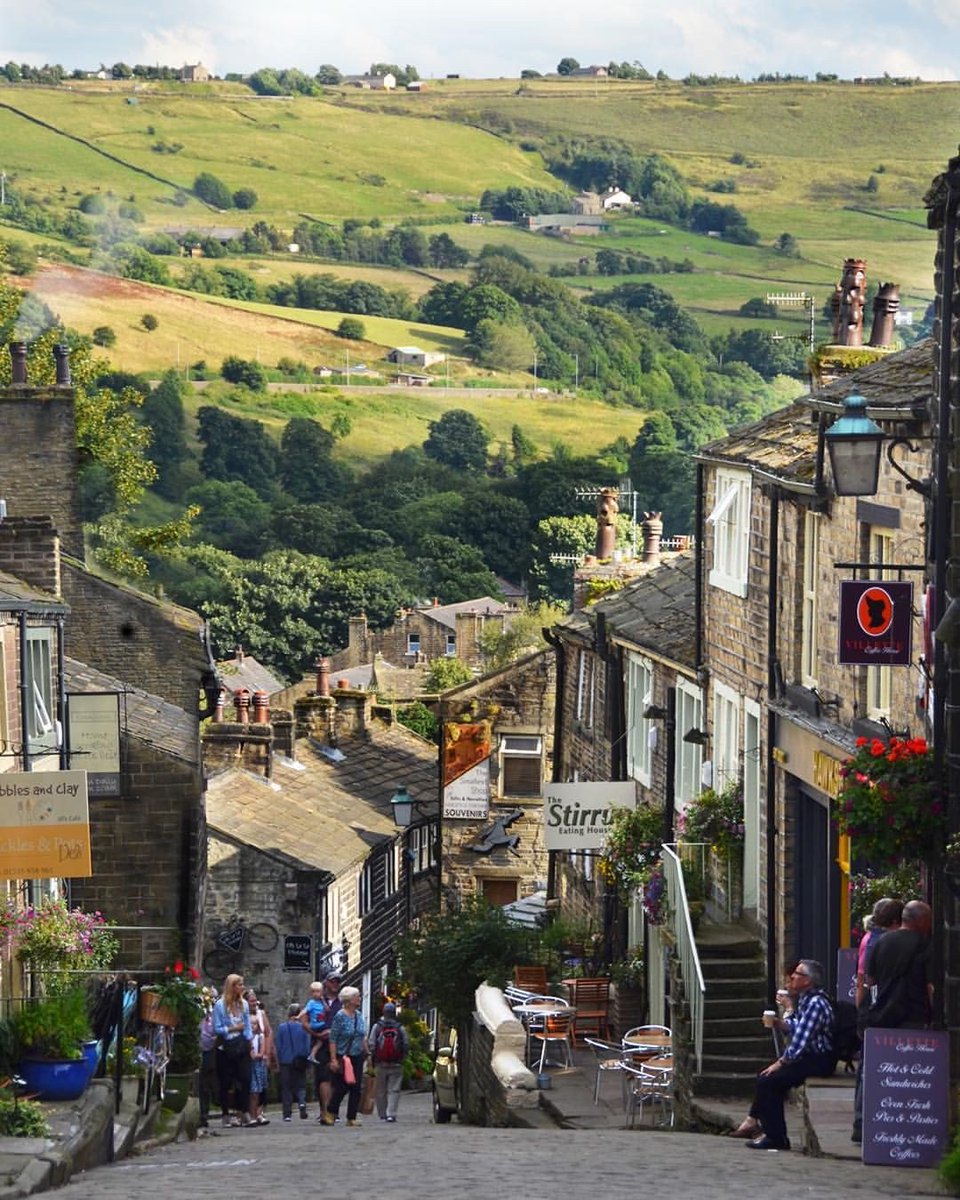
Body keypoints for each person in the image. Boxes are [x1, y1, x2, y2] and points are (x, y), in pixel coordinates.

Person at [732, 959, 835, 1151]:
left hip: (818, 1059)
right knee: (765, 1077)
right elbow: (799, 1027)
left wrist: (781, 1062)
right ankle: (765, 1129)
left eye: (797, 974)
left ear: (808, 980)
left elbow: (801, 1041)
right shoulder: (806, 999)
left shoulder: (816, 1003)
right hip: (809, 1056)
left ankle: (775, 1137)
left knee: (769, 1081)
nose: (792, 976)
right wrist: (782, 1024)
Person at [851, 897, 903, 1143]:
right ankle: (863, 1122)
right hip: (877, 1009)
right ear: (894, 922)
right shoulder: (879, 942)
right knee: (869, 1066)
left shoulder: (869, 938)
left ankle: (861, 1121)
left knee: (865, 1065)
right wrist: (862, 1012)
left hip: (870, 1009)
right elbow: (864, 980)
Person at [213, 973, 253, 1128]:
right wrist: (234, 1028)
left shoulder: (244, 1005)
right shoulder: (220, 1005)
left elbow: (247, 1025)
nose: (242, 987)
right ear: (232, 986)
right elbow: (217, 1028)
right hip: (226, 1047)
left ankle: (244, 1111)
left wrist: (248, 1040)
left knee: (245, 1078)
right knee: (225, 1081)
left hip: (241, 1045)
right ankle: (225, 1114)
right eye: (239, 985)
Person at [302, 971, 343, 1122]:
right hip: (321, 1044)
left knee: (336, 1079)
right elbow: (304, 1021)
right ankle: (326, 1112)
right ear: (326, 983)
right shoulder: (316, 999)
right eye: (333, 981)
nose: (335, 984)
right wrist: (317, 1034)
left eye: (338, 981)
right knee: (324, 1077)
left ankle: (332, 1110)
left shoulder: (342, 1002)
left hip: (338, 1044)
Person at [327, 984, 367, 1127]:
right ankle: (331, 1111)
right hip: (343, 1056)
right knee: (342, 1087)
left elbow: (362, 1035)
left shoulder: (359, 1015)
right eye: (357, 996)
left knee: (356, 1087)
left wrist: (367, 1052)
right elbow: (333, 1039)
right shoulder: (340, 1016)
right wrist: (333, 1059)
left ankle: (351, 1117)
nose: (360, 998)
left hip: (357, 1055)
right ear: (349, 1000)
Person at [368, 1002, 409, 1122]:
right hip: (397, 1063)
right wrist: (403, 1057)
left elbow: (371, 1043)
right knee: (394, 1089)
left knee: (380, 1090)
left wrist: (373, 1057)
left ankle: (382, 1114)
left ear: (384, 1013)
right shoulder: (400, 1027)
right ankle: (391, 1114)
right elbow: (406, 1043)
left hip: (380, 1063)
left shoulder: (377, 1027)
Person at [275, 1003, 311, 1121]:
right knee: (300, 1085)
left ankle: (287, 1113)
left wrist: (278, 1060)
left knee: (286, 1087)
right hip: (300, 1060)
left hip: (285, 1061)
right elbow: (307, 1046)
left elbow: (278, 1046)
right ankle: (302, 1103)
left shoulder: (282, 1027)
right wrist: (307, 1060)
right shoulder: (304, 1028)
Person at [245, 988, 274, 1125]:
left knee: (261, 1086)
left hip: (260, 1055)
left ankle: (259, 1112)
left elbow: (267, 1033)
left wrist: (266, 1054)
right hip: (248, 1056)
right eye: (251, 1001)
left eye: (255, 1000)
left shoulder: (260, 1014)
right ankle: (249, 1114)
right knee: (252, 1088)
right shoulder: (242, 1014)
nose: (254, 1003)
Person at [198, 986, 218, 1130]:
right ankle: (201, 1113)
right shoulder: (199, 1015)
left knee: (205, 1084)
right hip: (198, 1050)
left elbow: (217, 1032)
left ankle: (204, 1113)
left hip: (210, 1052)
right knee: (201, 1084)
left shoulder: (214, 1015)